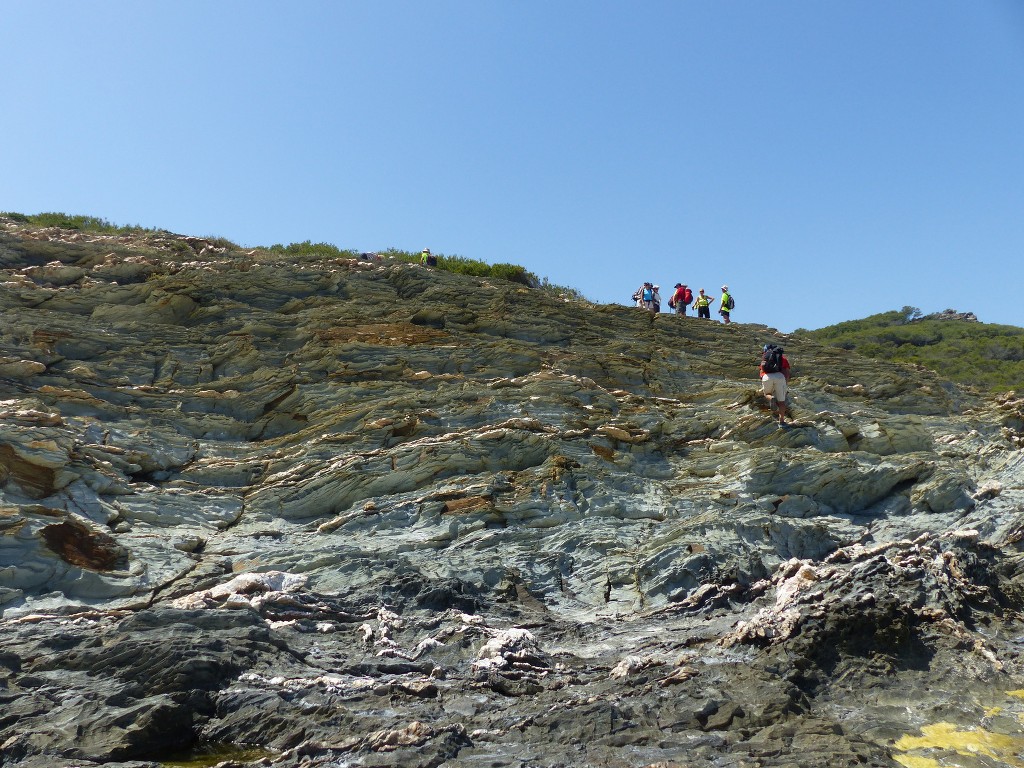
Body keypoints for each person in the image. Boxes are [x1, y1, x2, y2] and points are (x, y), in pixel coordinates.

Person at [759, 344, 791, 427]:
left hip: (767, 377)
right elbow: (786, 373)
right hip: (780, 377)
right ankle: (782, 421)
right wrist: (785, 384)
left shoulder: (764, 358)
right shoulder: (782, 359)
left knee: (767, 394)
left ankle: (771, 398)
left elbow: (761, 373)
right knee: (782, 402)